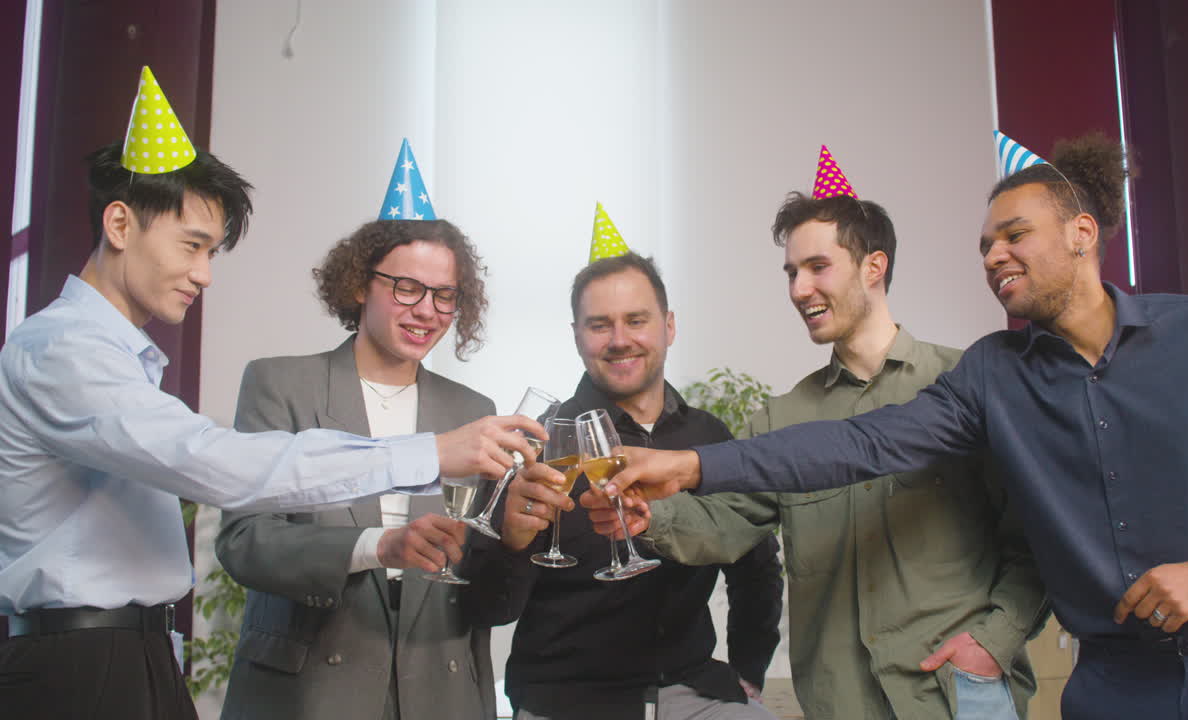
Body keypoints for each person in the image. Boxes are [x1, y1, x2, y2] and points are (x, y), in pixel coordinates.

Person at [603, 134, 1188, 720]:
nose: (991, 256)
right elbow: (863, 443)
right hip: (1109, 684)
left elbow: (1022, 548)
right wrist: (688, 472)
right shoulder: (994, 375)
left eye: (1013, 235)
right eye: (984, 245)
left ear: (1082, 232)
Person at [0, 80, 541, 720]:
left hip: (138, 651)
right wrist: (428, 455)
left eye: (212, 251)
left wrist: (515, 536)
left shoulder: (125, 360)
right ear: (120, 223)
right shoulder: (64, 351)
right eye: (192, 245)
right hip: (85, 660)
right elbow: (228, 471)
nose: (204, 273)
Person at [587, 186, 1046, 719]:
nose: (800, 289)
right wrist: (649, 519)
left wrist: (995, 639)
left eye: (818, 266)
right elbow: (727, 522)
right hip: (840, 702)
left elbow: (1033, 536)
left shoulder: (968, 384)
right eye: (790, 272)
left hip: (959, 696)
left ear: (874, 266)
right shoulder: (782, 419)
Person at [471, 247, 784, 720]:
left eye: (636, 320)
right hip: (565, 701)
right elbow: (486, 605)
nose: (620, 340)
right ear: (576, 337)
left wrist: (749, 671)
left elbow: (756, 570)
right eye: (600, 325)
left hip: (692, 691)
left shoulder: (709, 439)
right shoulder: (534, 445)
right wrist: (512, 543)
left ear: (669, 326)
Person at [217, 211, 505, 718]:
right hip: (308, 692)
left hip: (439, 689)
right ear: (358, 285)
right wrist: (375, 546)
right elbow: (246, 543)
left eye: (444, 295)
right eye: (407, 287)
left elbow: (484, 574)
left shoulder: (473, 412)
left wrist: (523, 526)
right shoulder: (280, 386)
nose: (427, 310)